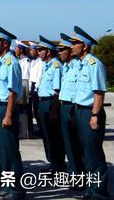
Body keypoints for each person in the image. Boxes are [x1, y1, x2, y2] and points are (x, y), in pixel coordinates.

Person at [69, 26, 109, 200]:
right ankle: (91, 189)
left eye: (74, 43)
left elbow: (99, 93)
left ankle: (99, 193)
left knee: (94, 155)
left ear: (84, 46)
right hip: (79, 112)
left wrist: (94, 116)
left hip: (90, 113)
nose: (71, 46)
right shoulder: (79, 65)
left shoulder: (94, 64)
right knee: (85, 154)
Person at [0, 23, 25, 200]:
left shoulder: (11, 63)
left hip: (7, 109)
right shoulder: (2, 62)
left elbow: (13, 92)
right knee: (3, 152)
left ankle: (17, 190)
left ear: (5, 43)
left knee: (10, 151)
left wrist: (8, 115)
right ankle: (8, 185)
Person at [57, 33, 85, 193]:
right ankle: (75, 175)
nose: (59, 53)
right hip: (64, 107)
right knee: (69, 144)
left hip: (73, 108)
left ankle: (82, 178)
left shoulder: (78, 66)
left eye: (62, 50)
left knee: (78, 145)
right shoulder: (66, 67)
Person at [35, 35, 66, 173]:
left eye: (41, 50)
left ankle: (59, 165)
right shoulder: (47, 66)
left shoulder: (55, 66)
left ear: (48, 51)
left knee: (54, 136)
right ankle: (53, 162)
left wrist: (54, 110)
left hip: (50, 104)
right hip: (42, 103)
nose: (38, 52)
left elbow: (57, 91)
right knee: (47, 135)